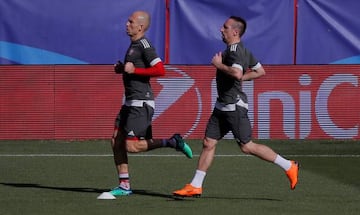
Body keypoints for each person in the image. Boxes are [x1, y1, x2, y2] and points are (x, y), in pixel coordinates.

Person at [173, 16, 299, 197]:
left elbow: (237, 73)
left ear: (235, 32)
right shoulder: (242, 50)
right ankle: (195, 185)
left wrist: (219, 65)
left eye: (225, 27)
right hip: (222, 106)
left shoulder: (234, 51)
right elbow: (259, 71)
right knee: (208, 143)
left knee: (246, 146)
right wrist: (240, 79)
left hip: (233, 106)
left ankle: (289, 165)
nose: (221, 30)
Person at [109, 10, 193, 197]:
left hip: (141, 102)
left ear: (140, 27)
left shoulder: (145, 45)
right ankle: (124, 185)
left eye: (130, 21)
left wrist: (134, 70)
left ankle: (173, 142)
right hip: (130, 103)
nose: (126, 24)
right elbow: (134, 69)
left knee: (131, 146)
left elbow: (160, 70)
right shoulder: (133, 46)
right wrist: (123, 69)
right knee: (116, 141)